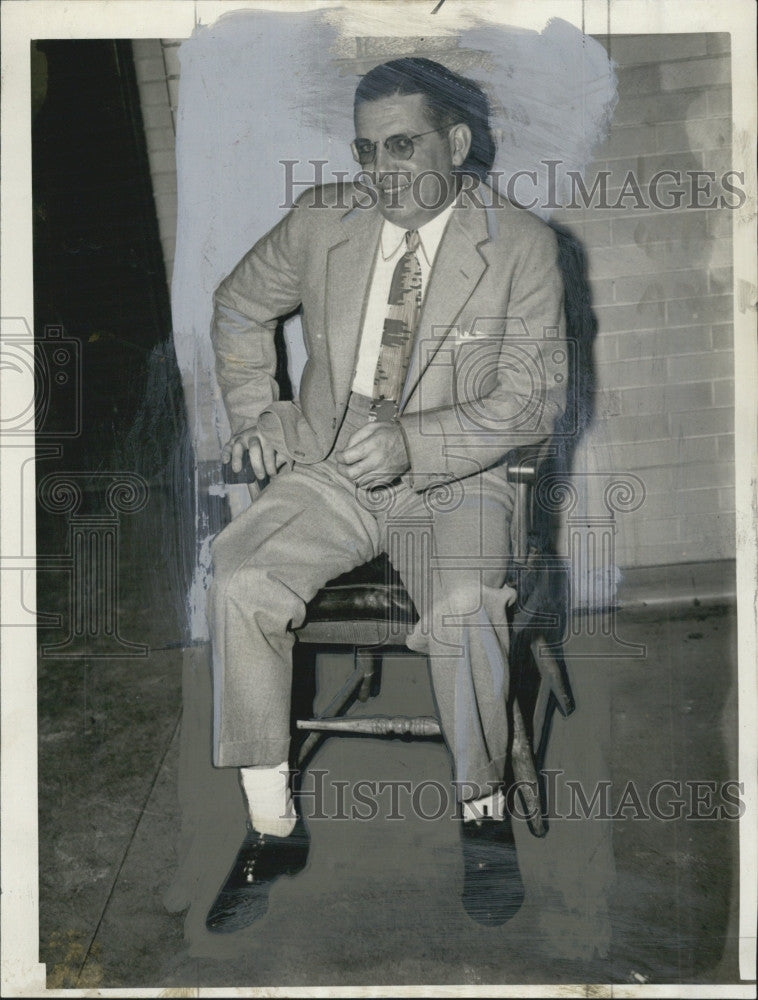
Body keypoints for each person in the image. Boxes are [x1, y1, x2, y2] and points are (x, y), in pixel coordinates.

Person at [205, 56, 567, 933]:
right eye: (366, 150)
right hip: (334, 466)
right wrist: (262, 415)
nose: (380, 173)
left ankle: (483, 817)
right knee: (239, 574)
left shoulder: (519, 244)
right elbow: (237, 307)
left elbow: (530, 401)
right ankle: (271, 827)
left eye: (402, 146)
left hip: (459, 477)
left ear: (458, 141)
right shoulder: (322, 220)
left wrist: (412, 442)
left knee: (463, 605)